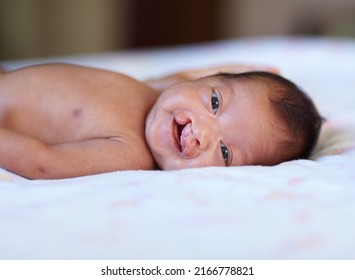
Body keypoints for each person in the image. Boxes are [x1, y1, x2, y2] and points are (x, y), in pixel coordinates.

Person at [0, 63, 322, 179]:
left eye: (225, 153)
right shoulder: (158, 90)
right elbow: (185, 76)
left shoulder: (128, 152)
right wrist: (239, 67)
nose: (203, 132)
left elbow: (43, 163)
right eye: (214, 102)